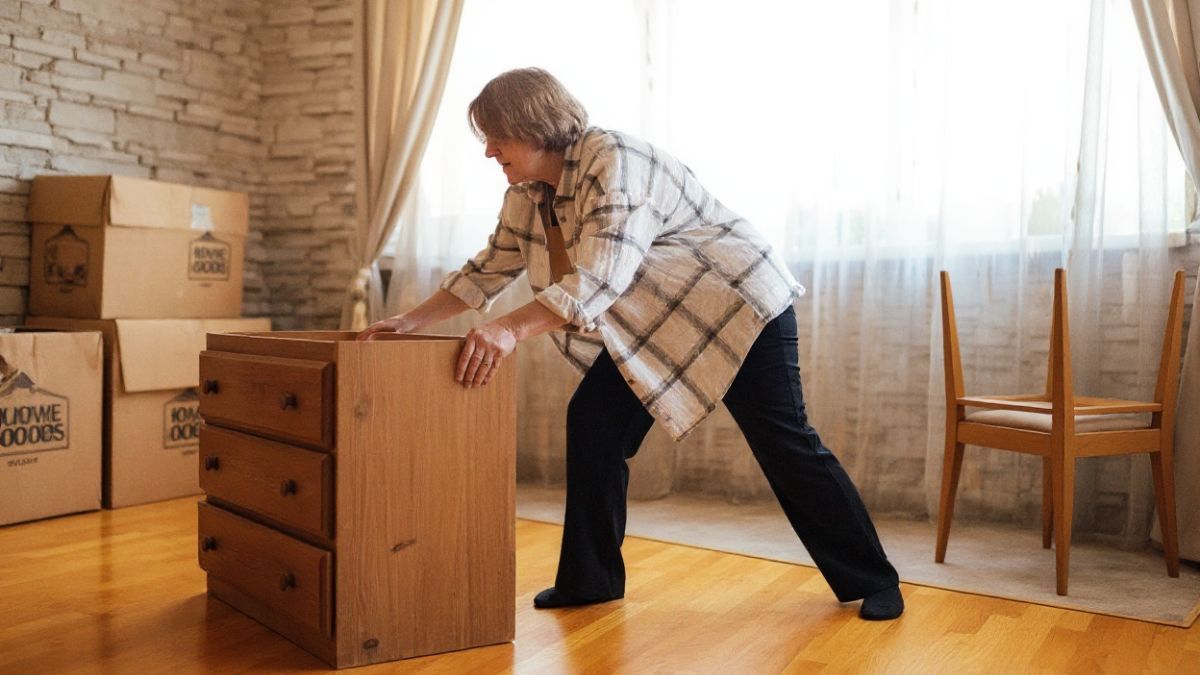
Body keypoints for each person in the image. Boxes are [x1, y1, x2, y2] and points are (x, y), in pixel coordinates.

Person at [359, 68, 903, 621]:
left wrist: (507, 329)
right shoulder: (526, 195)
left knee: (784, 442)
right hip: (661, 323)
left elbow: (597, 279)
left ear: (534, 123)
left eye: (496, 135)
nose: (488, 151)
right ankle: (589, 581)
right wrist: (411, 319)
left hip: (736, 304)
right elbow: (490, 267)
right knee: (595, 422)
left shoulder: (614, 160)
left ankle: (875, 580)